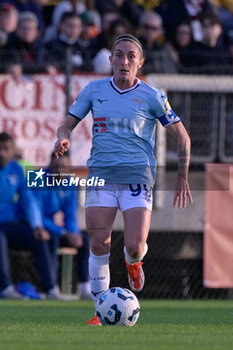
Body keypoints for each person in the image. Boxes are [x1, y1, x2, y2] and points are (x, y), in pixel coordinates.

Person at [54, 34, 193, 325]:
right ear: (110, 59)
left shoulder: (152, 96)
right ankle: (99, 310)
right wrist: (63, 139)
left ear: (140, 62)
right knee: (99, 242)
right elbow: (66, 125)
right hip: (101, 176)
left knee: (133, 245)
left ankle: (133, 262)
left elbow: (182, 136)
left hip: (137, 179)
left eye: (131, 56)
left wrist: (182, 175)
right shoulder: (94, 91)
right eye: (119, 54)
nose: (124, 61)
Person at [0, 132, 59, 299]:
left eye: (6, 149)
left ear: (12, 152)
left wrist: (37, 226)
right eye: (0, 149)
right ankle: (6, 288)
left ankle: (51, 289)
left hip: (11, 224)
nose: (2, 153)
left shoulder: (17, 170)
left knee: (40, 238)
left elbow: (29, 201)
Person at [32, 151, 91, 299]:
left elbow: (70, 215)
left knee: (84, 241)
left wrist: (74, 233)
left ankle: (85, 287)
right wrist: (63, 233)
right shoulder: (37, 178)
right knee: (52, 239)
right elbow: (36, 215)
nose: (60, 171)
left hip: (54, 228)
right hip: (32, 225)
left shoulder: (71, 183)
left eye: (64, 167)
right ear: (50, 164)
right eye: (57, 167)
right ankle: (52, 288)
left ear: (70, 167)